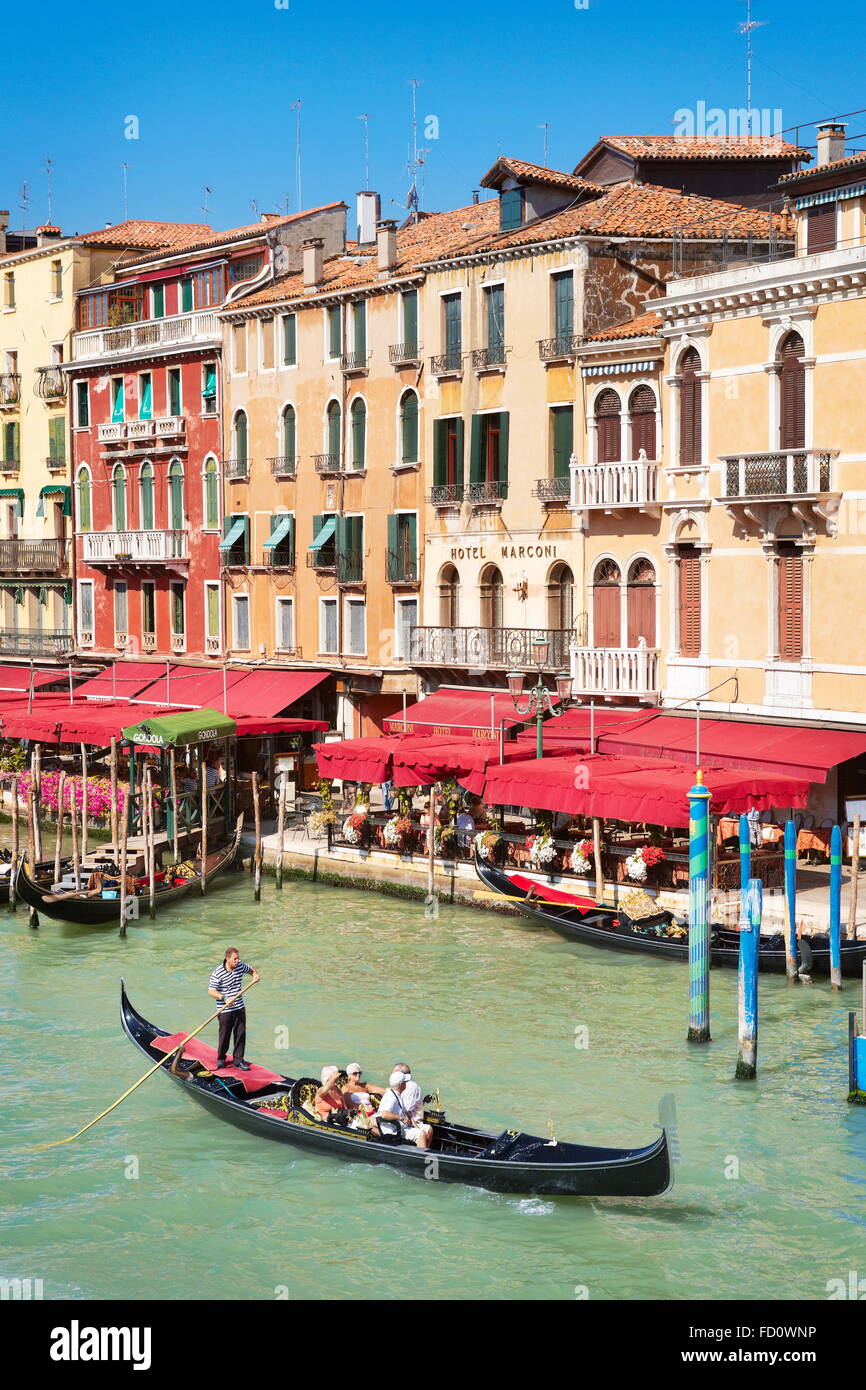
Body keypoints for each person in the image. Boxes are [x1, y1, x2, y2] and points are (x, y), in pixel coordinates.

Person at [208, 947, 260, 1072]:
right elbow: (211, 991)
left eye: (238, 958)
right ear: (227, 959)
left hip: (239, 1007)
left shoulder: (240, 966)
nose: (237, 961)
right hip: (224, 1009)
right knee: (224, 1035)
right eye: (235, 959)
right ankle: (221, 1059)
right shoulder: (218, 972)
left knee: (240, 1034)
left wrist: (255, 975)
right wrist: (224, 998)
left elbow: (252, 970)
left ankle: (238, 1061)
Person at [377, 1070, 432, 1149]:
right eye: (405, 1082)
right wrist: (401, 1118)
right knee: (421, 1134)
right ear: (400, 1084)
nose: (406, 1083)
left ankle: (425, 1151)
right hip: (394, 1131)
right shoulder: (392, 1097)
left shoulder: (395, 1094)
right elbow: (384, 1114)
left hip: (400, 1127)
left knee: (427, 1129)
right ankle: (422, 1158)